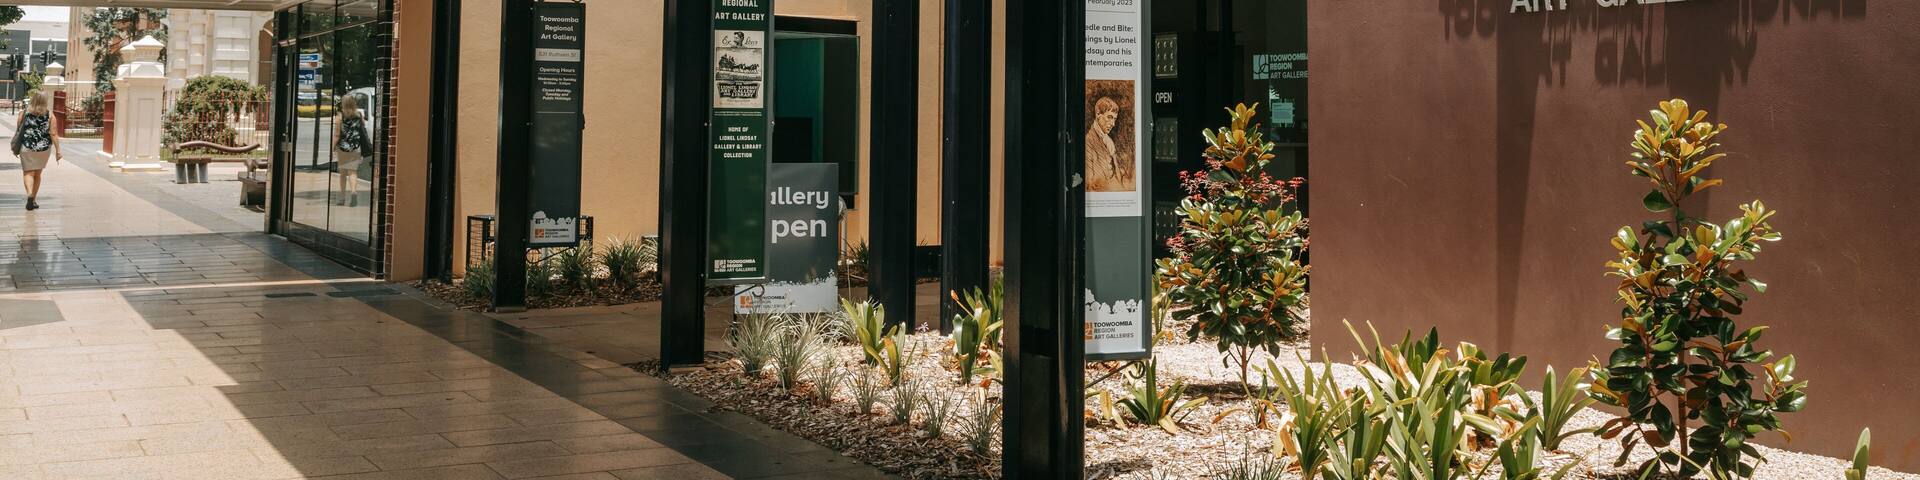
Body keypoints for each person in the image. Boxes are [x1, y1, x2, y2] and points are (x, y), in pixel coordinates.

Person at [15, 91, 63, 211]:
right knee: (37, 174)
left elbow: (18, 131)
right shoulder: (50, 116)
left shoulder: (23, 113)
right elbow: (54, 134)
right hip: (43, 149)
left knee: (28, 172)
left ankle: (30, 194)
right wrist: (58, 150)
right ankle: (34, 199)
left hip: (26, 147)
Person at [332, 94, 370, 207]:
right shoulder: (359, 115)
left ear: (342, 104)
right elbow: (362, 129)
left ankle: (342, 198)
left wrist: (332, 147)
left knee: (343, 174)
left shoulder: (339, 117)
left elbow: (337, 135)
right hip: (356, 147)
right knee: (353, 172)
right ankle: (353, 192)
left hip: (343, 149)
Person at [1084, 96, 1127, 192]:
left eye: (1115, 119)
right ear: (1098, 114)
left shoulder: (1109, 141)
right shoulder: (1088, 142)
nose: (1113, 124)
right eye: (1110, 117)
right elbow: (1089, 184)